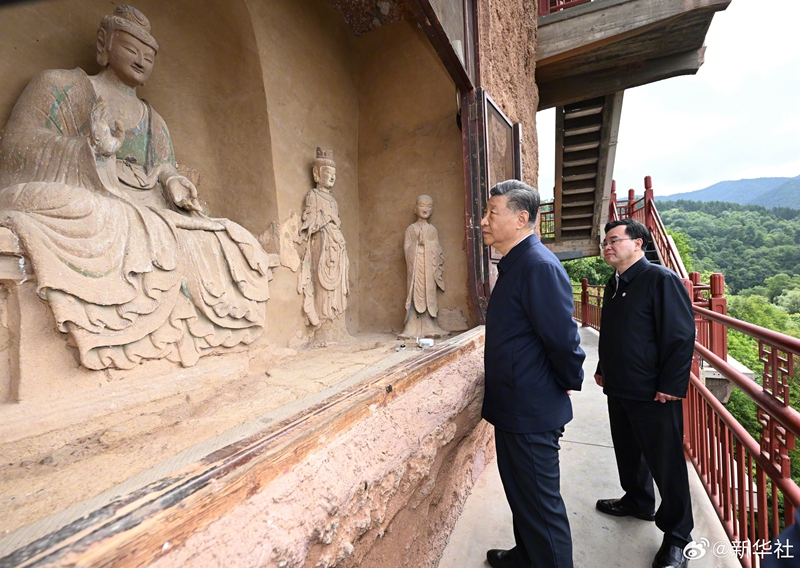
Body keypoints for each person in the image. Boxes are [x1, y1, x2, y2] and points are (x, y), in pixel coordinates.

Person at [0, 5, 277, 370]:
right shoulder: (58, 85)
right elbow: (15, 147)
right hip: (86, 192)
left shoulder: (153, 121)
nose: (142, 59)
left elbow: (161, 167)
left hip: (144, 201)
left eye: (149, 55)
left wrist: (172, 180)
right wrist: (88, 149)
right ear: (105, 45)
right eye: (132, 49)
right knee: (88, 209)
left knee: (222, 232)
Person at [481, 179, 585, 568]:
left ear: (521, 218)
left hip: (531, 408)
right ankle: (526, 555)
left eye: (492, 212)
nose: (483, 220)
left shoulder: (538, 266)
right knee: (522, 494)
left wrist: (566, 381)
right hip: (515, 404)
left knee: (541, 505)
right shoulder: (516, 262)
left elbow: (563, 340)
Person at [594, 218, 696, 568]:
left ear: (638, 243)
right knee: (628, 450)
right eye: (605, 242)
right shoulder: (615, 282)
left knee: (666, 464)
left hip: (654, 391)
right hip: (620, 385)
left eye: (614, 240)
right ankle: (638, 501)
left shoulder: (660, 279)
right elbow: (613, 332)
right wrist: (603, 367)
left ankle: (678, 537)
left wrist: (671, 384)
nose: (607, 246)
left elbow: (681, 335)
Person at [297, 148, 350, 340]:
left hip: (337, 245)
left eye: (334, 174)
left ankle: (338, 328)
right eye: (328, 173)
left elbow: (337, 221)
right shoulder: (313, 196)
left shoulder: (333, 201)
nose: (332, 177)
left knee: (337, 289)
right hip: (322, 245)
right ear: (316, 174)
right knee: (323, 285)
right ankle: (324, 331)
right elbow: (309, 224)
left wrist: (334, 223)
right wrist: (327, 219)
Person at [399, 194, 447, 339]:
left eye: (429, 206)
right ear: (415, 209)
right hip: (415, 268)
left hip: (428, 268)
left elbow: (438, 250)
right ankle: (411, 327)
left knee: (429, 294)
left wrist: (427, 244)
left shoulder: (432, 230)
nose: (425, 209)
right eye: (422, 205)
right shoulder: (410, 229)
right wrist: (416, 244)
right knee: (414, 293)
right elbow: (406, 250)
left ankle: (430, 326)